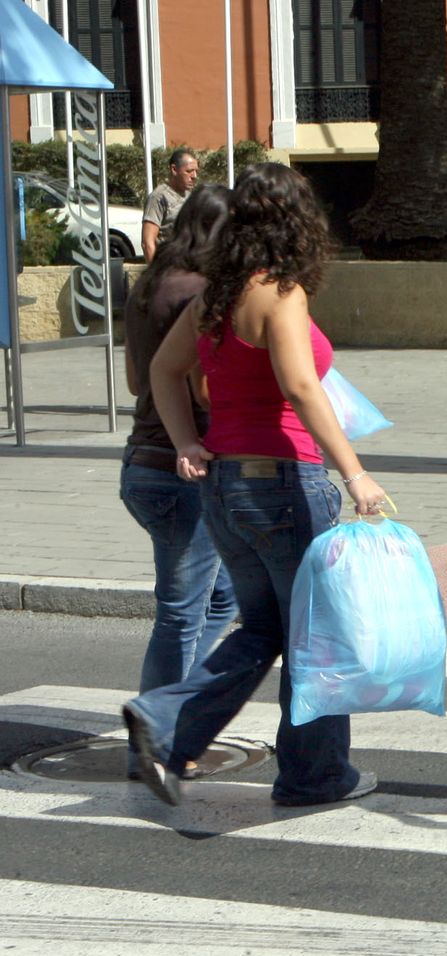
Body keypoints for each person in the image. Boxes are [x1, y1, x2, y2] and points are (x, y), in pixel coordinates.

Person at [122, 162, 389, 808]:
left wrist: (187, 442)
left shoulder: (216, 296)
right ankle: (313, 775)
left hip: (225, 487)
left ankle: (164, 718)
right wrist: (355, 473)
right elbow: (300, 386)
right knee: (314, 635)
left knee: (264, 628)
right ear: (299, 223)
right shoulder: (280, 292)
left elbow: (162, 371)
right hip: (285, 483)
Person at [120, 185, 238, 779]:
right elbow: (203, 388)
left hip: (144, 462)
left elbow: (134, 379)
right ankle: (156, 735)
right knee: (182, 613)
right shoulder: (200, 292)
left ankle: (173, 712)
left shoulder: (148, 285)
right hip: (183, 467)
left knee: (225, 598)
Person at [141, 148, 200, 262]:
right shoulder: (158, 197)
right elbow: (147, 243)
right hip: (168, 266)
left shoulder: (190, 196)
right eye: (189, 171)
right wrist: (156, 271)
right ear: (174, 169)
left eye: (196, 171)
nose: (194, 176)